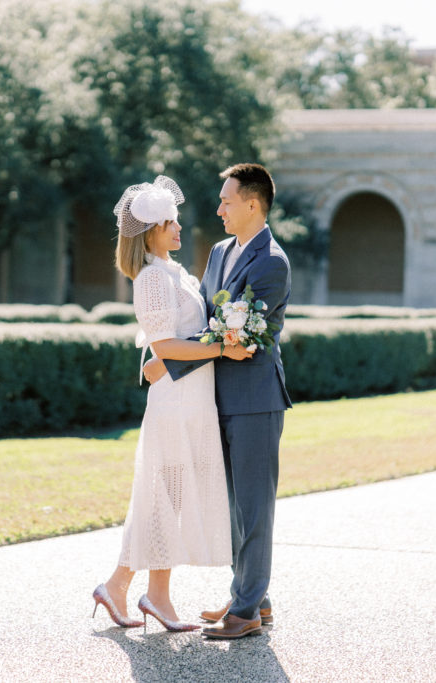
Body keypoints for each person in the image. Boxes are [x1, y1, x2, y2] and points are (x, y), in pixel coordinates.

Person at [92, 175, 253, 633]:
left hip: (193, 398)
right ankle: (153, 594)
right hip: (175, 404)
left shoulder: (175, 273)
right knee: (165, 495)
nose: (181, 229)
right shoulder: (151, 279)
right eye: (172, 223)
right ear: (152, 230)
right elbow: (165, 345)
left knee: (166, 496)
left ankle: (120, 585)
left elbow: (175, 343)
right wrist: (223, 348)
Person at [143, 162, 292, 640]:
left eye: (227, 200)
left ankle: (245, 610)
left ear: (253, 203)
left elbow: (234, 331)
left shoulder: (273, 262)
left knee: (254, 506)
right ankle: (255, 599)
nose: (219, 208)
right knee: (232, 506)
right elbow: (204, 323)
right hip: (213, 398)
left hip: (254, 400)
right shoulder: (220, 251)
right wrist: (163, 353)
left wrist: (168, 362)